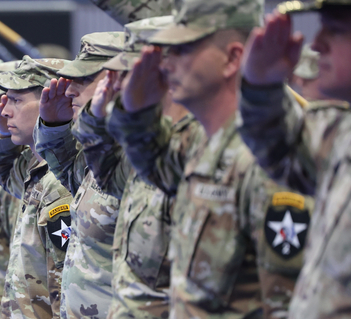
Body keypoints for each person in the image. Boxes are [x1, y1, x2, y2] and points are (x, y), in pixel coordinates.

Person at [109, 0, 315, 316]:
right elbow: (156, 168)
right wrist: (137, 112)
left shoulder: (266, 161)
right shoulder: (203, 140)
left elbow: (289, 305)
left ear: (232, 58)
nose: (167, 64)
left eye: (183, 49)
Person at [238, 0, 351, 317]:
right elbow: (281, 152)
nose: (317, 43)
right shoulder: (350, 134)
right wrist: (260, 85)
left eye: (335, 29)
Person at [74, 16, 195, 319]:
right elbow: (105, 177)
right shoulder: (143, 156)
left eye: (127, 73)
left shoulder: (192, 150)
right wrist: (95, 118)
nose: (118, 85)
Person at [33, 31, 123, 318]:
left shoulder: (142, 156)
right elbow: (68, 170)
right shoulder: (100, 152)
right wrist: (54, 124)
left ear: (118, 80)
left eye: (83, 80)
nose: (70, 91)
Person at [0, 56, 72, 319]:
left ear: (52, 101)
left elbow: (62, 285)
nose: (4, 111)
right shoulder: (38, 168)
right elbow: (6, 177)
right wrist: (3, 137)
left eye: (17, 100)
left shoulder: (62, 181)